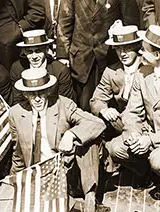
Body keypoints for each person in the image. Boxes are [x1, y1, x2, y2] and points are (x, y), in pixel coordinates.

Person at [107, 25, 160, 200]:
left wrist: (150, 140)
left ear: (157, 55)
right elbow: (133, 112)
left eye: (143, 50)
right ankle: (148, 174)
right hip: (148, 137)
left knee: (159, 161)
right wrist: (133, 133)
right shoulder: (143, 73)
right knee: (116, 148)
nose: (140, 54)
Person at [57, 0, 139, 111]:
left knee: (109, 106)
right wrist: (63, 55)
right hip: (81, 60)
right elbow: (64, 24)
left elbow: (131, 22)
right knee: (83, 106)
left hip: (109, 58)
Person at [9, 68, 106, 212]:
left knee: (90, 141)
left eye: (41, 92)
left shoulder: (63, 104)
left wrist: (71, 134)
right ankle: (78, 206)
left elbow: (97, 123)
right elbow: (18, 151)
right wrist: (16, 178)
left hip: (65, 169)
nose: (37, 98)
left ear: (48, 91)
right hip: (39, 173)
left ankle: (90, 197)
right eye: (31, 94)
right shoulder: (16, 113)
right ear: (24, 94)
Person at [90, 23, 142, 135]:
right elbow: (96, 100)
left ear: (137, 46)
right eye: (118, 49)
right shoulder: (111, 71)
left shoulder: (147, 69)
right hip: (120, 123)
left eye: (127, 48)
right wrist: (104, 110)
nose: (122, 53)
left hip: (144, 124)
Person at [10, 29, 75, 104]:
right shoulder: (17, 68)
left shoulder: (60, 70)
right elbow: (17, 100)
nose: (34, 56)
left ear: (46, 49)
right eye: (30, 52)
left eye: (38, 51)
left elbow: (65, 102)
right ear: (24, 51)